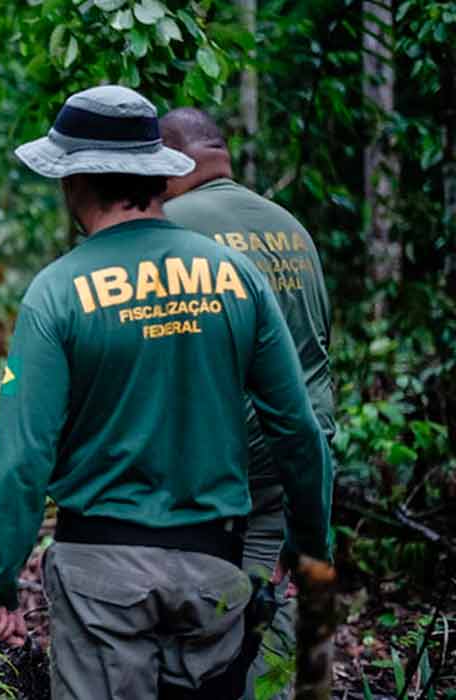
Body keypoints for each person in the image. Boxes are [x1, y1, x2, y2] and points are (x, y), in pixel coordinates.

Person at [0, 85, 333, 700]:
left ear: (73, 183)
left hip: (99, 581)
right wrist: (311, 545)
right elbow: (296, 428)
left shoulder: (57, 293)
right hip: (215, 571)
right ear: (157, 179)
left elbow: (23, 457)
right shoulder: (235, 276)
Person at [160, 107, 335, 700]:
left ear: (170, 162)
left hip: (215, 459)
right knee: (275, 595)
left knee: (196, 622)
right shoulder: (291, 227)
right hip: (296, 451)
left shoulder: (170, 227)